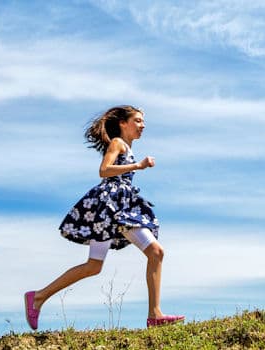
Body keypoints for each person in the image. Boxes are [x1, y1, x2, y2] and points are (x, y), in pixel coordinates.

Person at [24, 105, 184, 329]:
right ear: (123, 123)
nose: (143, 125)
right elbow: (104, 170)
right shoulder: (118, 143)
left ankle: (38, 297)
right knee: (154, 252)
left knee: (95, 266)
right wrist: (138, 165)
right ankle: (155, 315)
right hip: (112, 207)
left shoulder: (127, 147)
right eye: (137, 121)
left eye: (143, 121)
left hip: (119, 207)